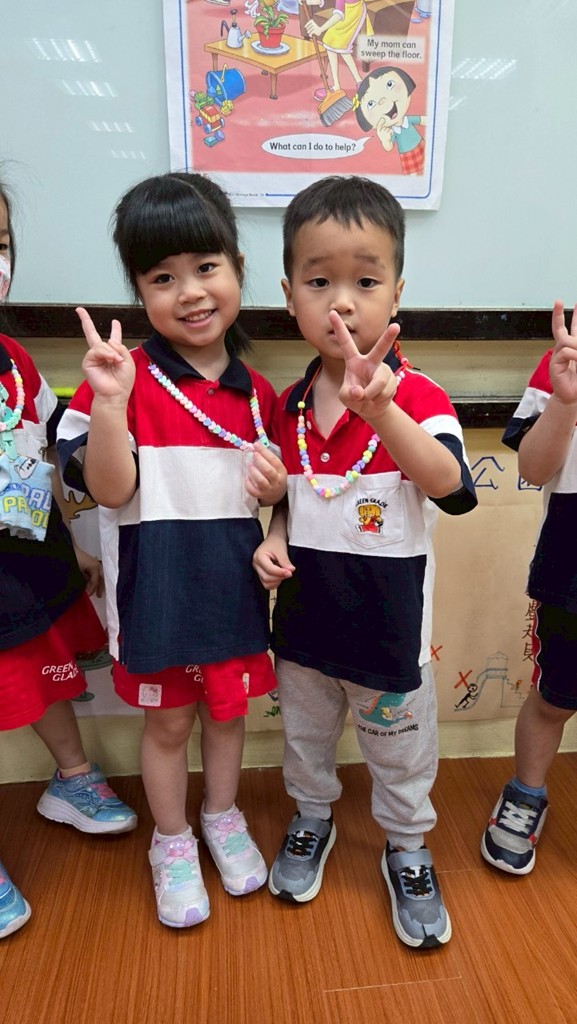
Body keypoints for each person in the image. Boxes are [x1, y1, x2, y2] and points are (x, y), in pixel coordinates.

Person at [252, 175, 477, 949]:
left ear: (396, 293)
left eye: (365, 282)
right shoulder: (286, 407)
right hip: (305, 631)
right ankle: (311, 816)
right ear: (289, 295)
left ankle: (407, 846)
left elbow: (453, 489)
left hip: (387, 635)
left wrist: (381, 411)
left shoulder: (417, 395)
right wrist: (275, 529)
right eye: (319, 282)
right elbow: (299, 497)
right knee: (304, 742)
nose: (340, 303)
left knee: (400, 754)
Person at [57, 172, 287, 928]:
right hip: (155, 594)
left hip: (231, 595)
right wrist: (112, 403)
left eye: (205, 267)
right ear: (138, 290)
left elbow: (283, 503)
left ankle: (221, 815)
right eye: (162, 278)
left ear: (238, 269)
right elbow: (109, 489)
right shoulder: (119, 381)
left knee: (227, 717)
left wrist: (277, 500)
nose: (189, 292)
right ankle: (172, 839)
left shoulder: (261, 397)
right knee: (166, 726)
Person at [0, 179, 137, 940]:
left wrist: (80, 548)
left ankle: (72, 778)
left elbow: (51, 452)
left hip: (28, 562)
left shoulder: (14, 360)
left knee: (44, 669)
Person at [481, 301, 577, 875]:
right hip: (570, 572)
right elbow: (534, 470)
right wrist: (565, 401)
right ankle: (526, 792)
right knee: (554, 699)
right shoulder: (564, 357)